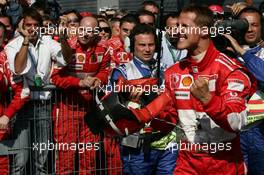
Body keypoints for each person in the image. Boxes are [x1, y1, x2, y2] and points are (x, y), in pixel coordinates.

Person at [160, 5, 255, 174]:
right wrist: (145, 111)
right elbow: (167, 120)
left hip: (225, 166)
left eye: (184, 27)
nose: (177, 31)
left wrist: (208, 100)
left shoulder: (231, 70)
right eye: (176, 26)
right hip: (187, 165)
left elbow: (237, 121)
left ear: (204, 31)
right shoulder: (172, 73)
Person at [5, 7, 72, 175]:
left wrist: (63, 40)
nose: (32, 28)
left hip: (44, 104)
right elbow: (19, 69)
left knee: (41, 156)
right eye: (28, 25)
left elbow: (65, 59)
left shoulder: (48, 41)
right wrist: (25, 41)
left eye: (35, 25)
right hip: (22, 106)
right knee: (21, 158)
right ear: (21, 25)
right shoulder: (12, 45)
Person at [111, 24, 177, 175]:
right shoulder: (122, 71)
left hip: (167, 140)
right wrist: (129, 102)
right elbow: (114, 108)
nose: (147, 49)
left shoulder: (165, 69)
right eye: (142, 45)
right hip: (137, 143)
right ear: (131, 46)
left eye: (151, 44)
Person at [50, 16, 110, 174]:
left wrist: (99, 79)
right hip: (67, 111)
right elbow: (55, 78)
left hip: (91, 111)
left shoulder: (103, 49)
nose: (85, 34)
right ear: (77, 29)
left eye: (90, 31)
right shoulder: (67, 48)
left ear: (96, 32)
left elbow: (105, 72)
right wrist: (79, 83)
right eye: (82, 30)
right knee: (66, 159)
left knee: (89, 159)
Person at [223, 6, 264, 175]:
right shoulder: (224, 53)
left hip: (259, 131)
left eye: (254, 25)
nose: (249, 29)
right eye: (244, 25)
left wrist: (242, 52)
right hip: (230, 131)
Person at [0, 21, 29, 175]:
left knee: (2, 166)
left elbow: (23, 91)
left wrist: (7, 114)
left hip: (1, 124)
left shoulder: (5, 58)